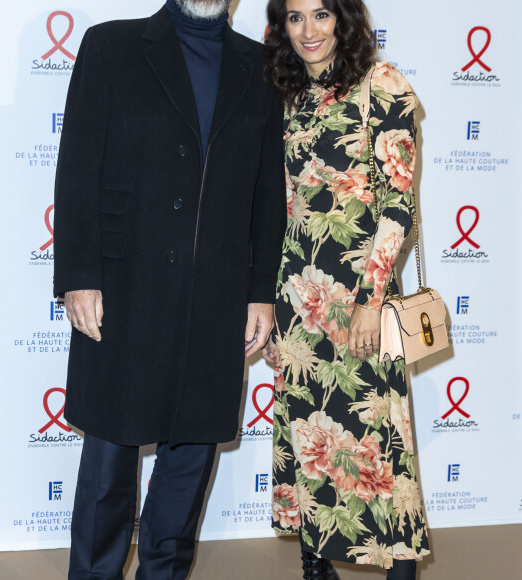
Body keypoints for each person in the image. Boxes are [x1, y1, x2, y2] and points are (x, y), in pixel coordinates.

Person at [53, 0, 286, 577]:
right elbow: (78, 166)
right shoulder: (111, 46)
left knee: (188, 465)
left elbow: (265, 191)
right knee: (109, 462)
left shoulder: (261, 67)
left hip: (217, 292)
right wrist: (79, 276)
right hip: (125, 288)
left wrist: (260, 291)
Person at [262, 1, 430, 579]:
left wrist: (371, 299)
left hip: (361, 295)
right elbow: (282, 209)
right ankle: (318, 567)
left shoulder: (381, 86)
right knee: (310, 436)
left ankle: (400, 571)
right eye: (294, 17)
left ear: (344, 20)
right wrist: (273, 306)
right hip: (299, 298)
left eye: (321, 14)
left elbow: (397, 204)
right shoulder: (285, 97)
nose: (308, 30)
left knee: (379, 440)